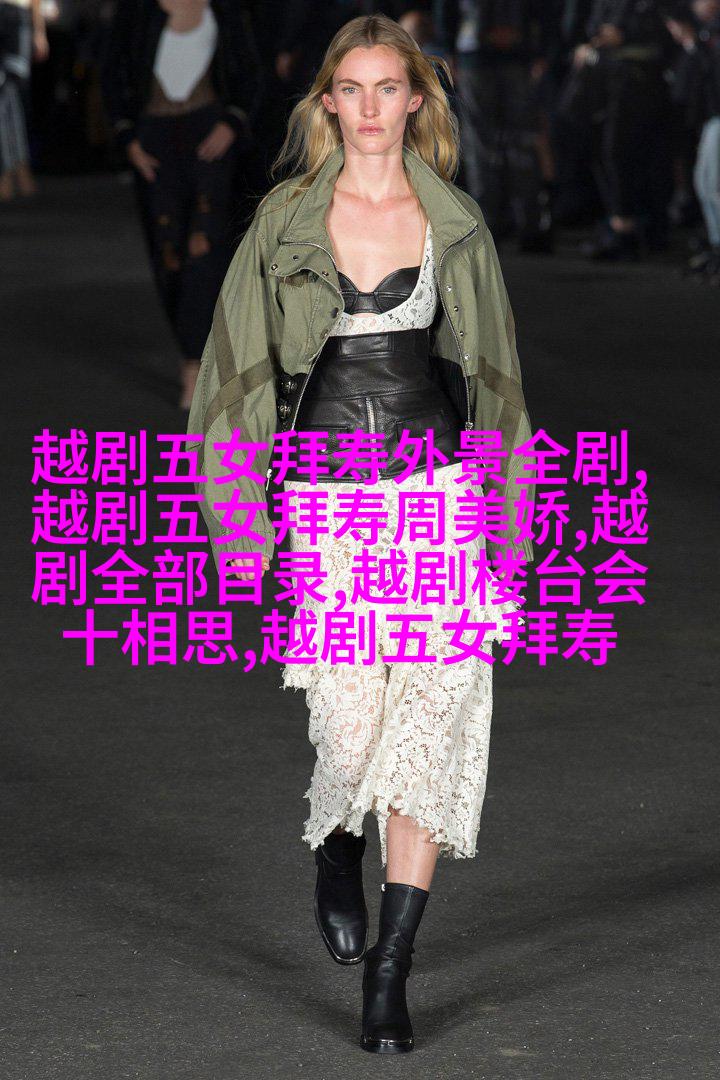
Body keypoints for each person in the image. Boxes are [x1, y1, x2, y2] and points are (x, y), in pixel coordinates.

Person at [188, 13, 536, 1054]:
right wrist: (243, 530)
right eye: (353, 88)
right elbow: (232, 381)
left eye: (390, 87)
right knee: (349, 735)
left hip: (437, 505)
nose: (372, 107)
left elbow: (500, 388)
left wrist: (507, 533)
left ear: (416, 99)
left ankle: (392, 971)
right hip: (328, 511)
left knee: (427, 733)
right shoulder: (286, 221)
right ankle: (336, 844)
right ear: (329, 101)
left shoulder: (455, 225)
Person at [102, 0, 264, 410]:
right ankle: (192, 349)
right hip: (154, 142)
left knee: (205, 248)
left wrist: (232, 123)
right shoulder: (137, 12)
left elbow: (249, 70)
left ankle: (196, 363)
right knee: (168, 252)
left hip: (209, 137)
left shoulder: (224, 9)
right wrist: (128, 140)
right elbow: (112, 73)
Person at [0, 0, 48, 201]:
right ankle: (16, 167)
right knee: (5, 93)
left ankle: (12, 168)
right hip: (15, 15)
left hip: (17, 14)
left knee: (11, 91)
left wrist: (39, 30)